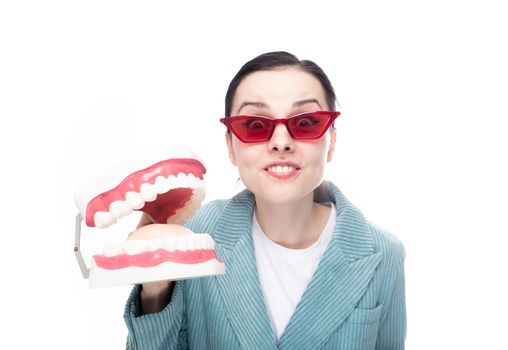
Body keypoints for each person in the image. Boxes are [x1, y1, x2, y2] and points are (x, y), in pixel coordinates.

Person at [124, 51, 406, 349]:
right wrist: (154, 286)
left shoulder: (384, 254)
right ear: (231, 147)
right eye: (255, 125)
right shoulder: (196, 235)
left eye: (306, 122)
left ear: (331, 142)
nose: (281, 142)